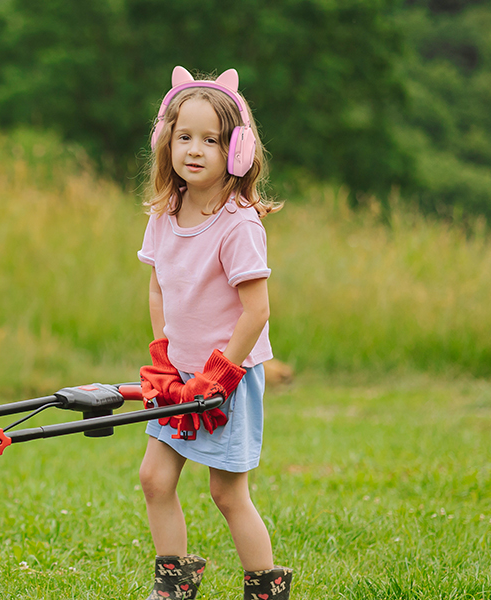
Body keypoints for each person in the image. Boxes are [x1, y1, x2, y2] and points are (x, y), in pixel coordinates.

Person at [135, 66, 293, 600]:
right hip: (179, 375)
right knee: (155, 479)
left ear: (239, 151)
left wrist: (221, 373)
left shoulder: (238, 224)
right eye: (184, 137)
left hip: (229, 376)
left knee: (227, 494)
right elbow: (158, 289)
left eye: (211, 139)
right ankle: (175, 583)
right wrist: (161, 355)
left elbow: (257, 311)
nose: (194, 149)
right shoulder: (165, 211)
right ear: (165, 142)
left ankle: (265, 589)